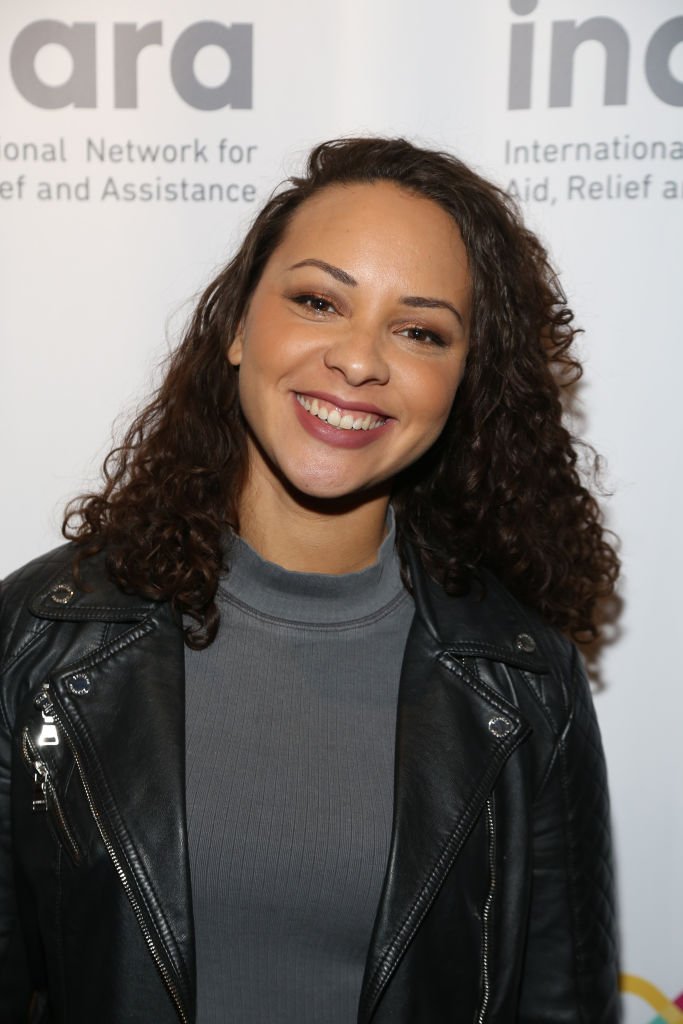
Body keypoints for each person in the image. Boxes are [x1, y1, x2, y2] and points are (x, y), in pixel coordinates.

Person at [0, 137, 620, 1023]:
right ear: (235, 329)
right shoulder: (40, 635)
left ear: (461, 383)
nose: (360, 361)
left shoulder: (525, 679)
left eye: (419, 330)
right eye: (320, 301)